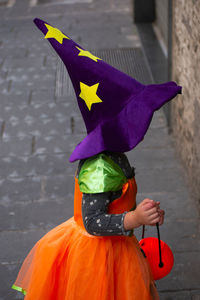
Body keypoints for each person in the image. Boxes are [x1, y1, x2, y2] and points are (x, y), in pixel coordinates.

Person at [11, 18, 181, 300]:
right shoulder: (99, 167)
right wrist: (134, 217)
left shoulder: (114, 155)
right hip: (98, 258)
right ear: (114, 126)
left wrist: (145, 215)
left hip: (120, 248)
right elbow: (92, 222)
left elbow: (117, 200)